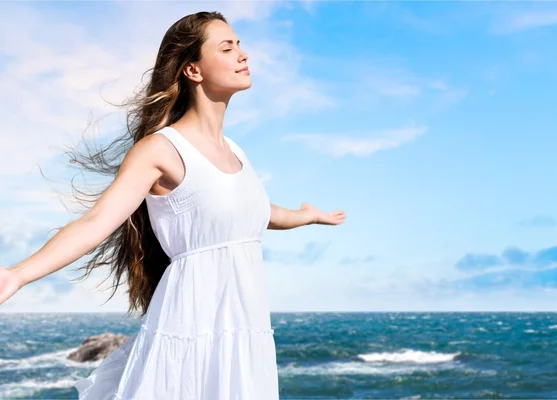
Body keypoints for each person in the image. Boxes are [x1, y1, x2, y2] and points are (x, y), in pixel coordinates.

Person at [0, 11, 346, 400]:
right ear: (193, 70)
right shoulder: (161, 150)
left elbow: (258, 212)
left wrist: (307, 216)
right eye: (227, 47)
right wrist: (18, 274)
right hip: (191, 329)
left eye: (240, 45)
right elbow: (96, 222)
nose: (243, 54)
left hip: (244, 330)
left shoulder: (236, 153)